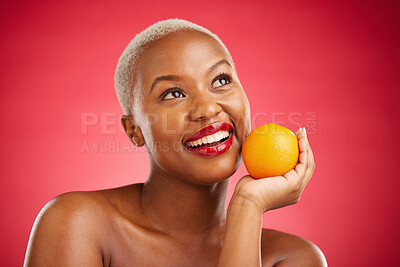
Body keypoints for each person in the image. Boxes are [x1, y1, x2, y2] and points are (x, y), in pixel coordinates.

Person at [24, 18, 327, 266]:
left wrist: (248, 206)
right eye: (173, 94)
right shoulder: (76, 223)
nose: (207, 109)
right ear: (134, 130)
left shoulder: (293, 258)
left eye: (220, 80)